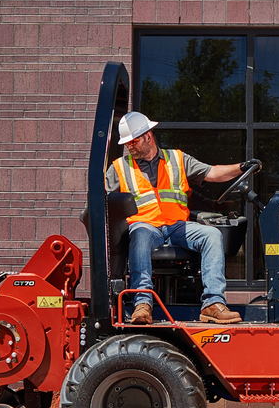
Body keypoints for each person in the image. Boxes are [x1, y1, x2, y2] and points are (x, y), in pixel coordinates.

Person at [104, 111, 249, 325]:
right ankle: (142, 304)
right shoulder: (119, 168)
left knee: (211, 235)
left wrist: (242, 167)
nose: (130, 146)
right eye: (127, 143)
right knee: (140, 234)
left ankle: (212, 304)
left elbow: (213, 173)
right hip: (145, 226)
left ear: (148, 136)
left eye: (133, 141)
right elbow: (103, 201)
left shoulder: (178, 159)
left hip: (178, 227)